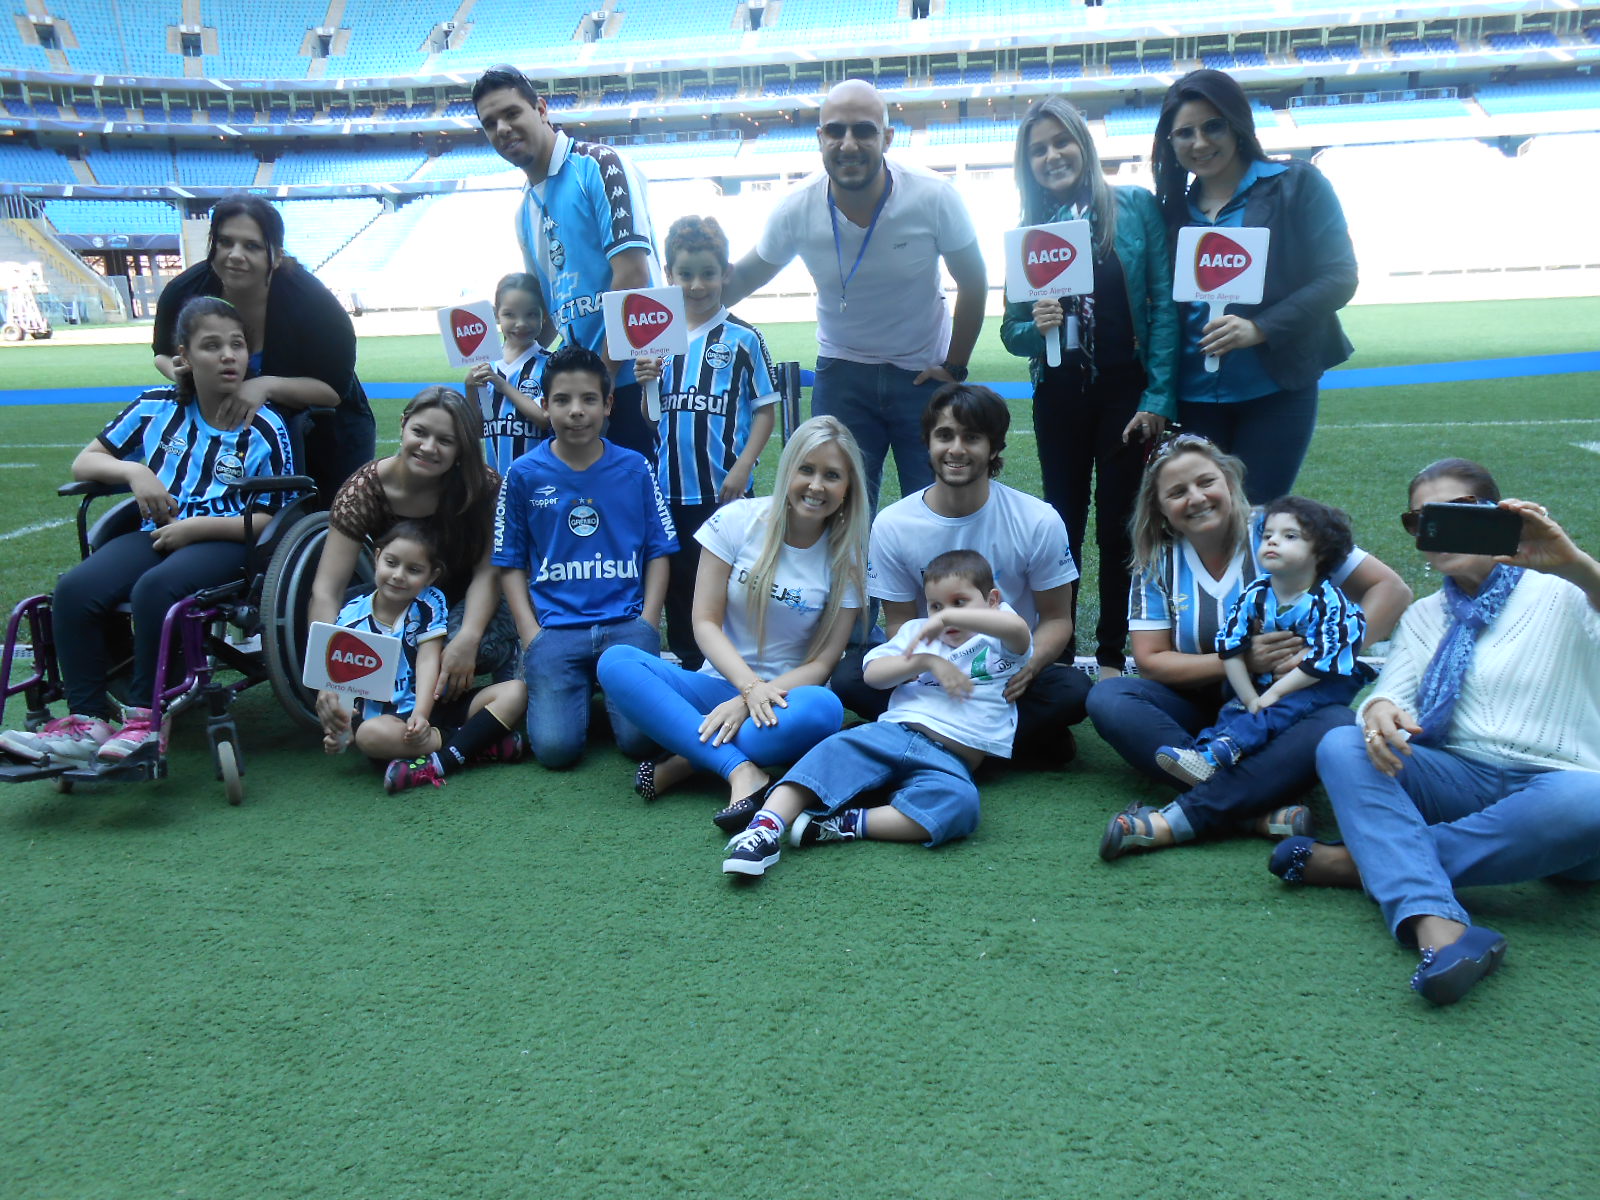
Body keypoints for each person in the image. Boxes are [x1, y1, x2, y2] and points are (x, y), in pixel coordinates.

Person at [1273, 459, 1600, 1006]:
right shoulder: (1425, 615)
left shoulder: (1564, 591)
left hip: (1560, 789)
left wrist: (1573, 564)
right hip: (1458, 780)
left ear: (1500, 515)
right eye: (1420, 520)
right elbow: (1390, 692)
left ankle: (1369, 861)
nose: (1436, 530)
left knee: (1592, 801)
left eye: (1453, 513)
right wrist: (1378, 709)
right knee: (1342, 741)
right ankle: (1440, 929)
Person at [1, 297, 295, 766]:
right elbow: (86, 461)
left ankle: (145, 720)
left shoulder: (264, 425)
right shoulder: (153, 407)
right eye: (212, 346)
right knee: (75, 589)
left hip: (228, 539)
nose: (227, 356)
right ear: (183, 358)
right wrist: (136, 473)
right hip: (156, 532)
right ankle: (86, 719)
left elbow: (269, 519)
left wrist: (195, 529)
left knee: (156, 589)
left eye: (236, 346)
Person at [1089, 434, 1412, 858]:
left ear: (1229, 480)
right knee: (1110, 696)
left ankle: (1188, 814)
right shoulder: (1158, 559)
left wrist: (1329, 652)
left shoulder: (1278, 529)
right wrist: (1239, 660)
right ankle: (1253, 808)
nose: (1197, 498)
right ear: (1160, 508)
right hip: (1197, 707)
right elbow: (1151, 662)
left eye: (1206, 482)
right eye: (1177, 492)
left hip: (1282, 709)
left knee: (1334, 723)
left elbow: (1390, 590)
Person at [722, 78, 988, 511]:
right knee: (838, 513)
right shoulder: (796, 207)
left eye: (863, 130)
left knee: (933, 509)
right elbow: (739, 281)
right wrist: (668, 318)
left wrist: (955, 365)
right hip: (842, 375)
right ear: (820, 138)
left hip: (921, 374)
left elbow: (974, 280)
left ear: (887, 137)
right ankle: (850, 583)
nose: (849, 144)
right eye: (836, 131)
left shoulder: (933, 196)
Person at [596, 415, 867, 830]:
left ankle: (687, 759)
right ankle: (740, 770)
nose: (816, 486)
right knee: (616, 662)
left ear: (848, 489)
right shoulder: (739, 520)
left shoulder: (846, 559)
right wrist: (745, 686)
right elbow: (704, 622)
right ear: (787, 469)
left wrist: (752, 698)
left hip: (784, 702)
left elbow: (823, 664)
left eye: (832, 476)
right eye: (806, 470)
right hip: (713, 685)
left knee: (826, 709)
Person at [1001, 96, 1179, 676]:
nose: (1052, 156)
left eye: (1061, 142)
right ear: (1026, 164)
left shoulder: (1135, 208)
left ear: (1084, 143)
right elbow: (1011, 330)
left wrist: (1156, 398)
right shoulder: (1030, 232)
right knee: (1062, 525)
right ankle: (1056, 652)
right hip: (1058, 393)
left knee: (1121, 525)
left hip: (1125, 394)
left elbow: (1164, 306)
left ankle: (1108, 656)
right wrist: (1037, 327)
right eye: (1038, 149)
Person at [721, 549, 1031, 878]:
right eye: (936, 606)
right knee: (830, 752)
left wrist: (950, 618)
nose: (944, 615)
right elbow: (873, 674)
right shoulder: (918, 632)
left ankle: (842, 825)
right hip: (893, 734)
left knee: (961, 805)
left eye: (960, 602)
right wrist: (926, 661)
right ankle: (763, 829)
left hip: (951, 760)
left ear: (993, 600)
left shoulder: (999, 638)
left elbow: (1017, 630)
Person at [834, 384, 1091, 765]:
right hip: (931, 673)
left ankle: (922, 736)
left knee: (1072, 690)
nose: (956, 449)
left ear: (994, 447)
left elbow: (1056, 619)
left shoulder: (1037, 519)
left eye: (972, 437)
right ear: (928, 442)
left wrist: (1030, 666)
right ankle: (1014, 744)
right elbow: (901, 623)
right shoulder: (893, 524)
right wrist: (927, 668)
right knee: (849, 679)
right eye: (944, 435)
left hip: (1005, 670)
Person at [1150, 69, 1357, 505]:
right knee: (1200, 522)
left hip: (1275, 390)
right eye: (1184, 133)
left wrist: (1258, 328)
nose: (1200, 143)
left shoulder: (1296, 185)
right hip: (1191, 399)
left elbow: (1340, 276)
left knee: (1258, 519)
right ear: (1169, 144)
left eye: (1213, 126)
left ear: (1237, 123)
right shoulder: (1169, 212)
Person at [493, 345, 677, 769]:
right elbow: (509, 560)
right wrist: (529, 633)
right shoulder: (523, 474)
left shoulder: (635, 468)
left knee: (640, 745)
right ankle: (578, 688)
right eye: (562, 400)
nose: (576, 411)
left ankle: (612, 691)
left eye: (588, 399)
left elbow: (659, 550)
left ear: (608, 403)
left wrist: (648, 622)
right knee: (556, 751)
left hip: (626, 626)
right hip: (555, 630)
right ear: (545, 405)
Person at [473, 64, 661, 464]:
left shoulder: (599, 166)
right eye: (490, 123)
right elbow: (548, 312)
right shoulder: (525, 209)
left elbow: (633, 276)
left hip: (633, 381)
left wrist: (603, 382)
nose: (502, 128)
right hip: (582, 393)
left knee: (636, 514)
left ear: (541, 109)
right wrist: (502, 368)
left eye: (511, 113)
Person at [310, 386, 517, 727]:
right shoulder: (365, 489)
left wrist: (467, 637)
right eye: (419, 432)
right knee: (359, 633)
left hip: (471, 599)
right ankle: (421, 709)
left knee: (455, 652)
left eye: (445, 441)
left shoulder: (481, 486)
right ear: (403, 425)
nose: (428, 447)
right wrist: (327, 675)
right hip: (406, 594)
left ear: (460, 450)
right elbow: (327, 590)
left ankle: (466, 700)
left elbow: (488, 572)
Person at [152, 195, 374, 498]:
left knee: (332, 517)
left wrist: (264, 386)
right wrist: (181, 372)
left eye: (252, 246)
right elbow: (163, 354)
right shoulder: (184, 292)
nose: (235, 255)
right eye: (225, 242)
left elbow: (332, 391)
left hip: (328, 431)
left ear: (277, 255)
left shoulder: (313, 303)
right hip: (238, 433)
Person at [635, 214, 779, 669]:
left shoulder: (743, 337)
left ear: (726, 272)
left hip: (724, 489)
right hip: (670, 489)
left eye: (708, 273)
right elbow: (651, 418)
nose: (697, 285)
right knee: (679, 579)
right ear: (669, 276)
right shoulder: (658, 340)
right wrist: (645, 385)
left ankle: (737, 663)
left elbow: (765, 411)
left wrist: (743, 468)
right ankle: (687, 660)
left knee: (733, 579)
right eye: (685, 274)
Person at [1152, 495, 1372, 788]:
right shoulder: (1256, 592)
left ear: (1320, 552)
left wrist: (1271, 696)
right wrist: (1249, 698)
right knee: (1233, 710)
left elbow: (1326, 660)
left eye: (1289, 536)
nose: (1272, 541)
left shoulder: (1331, 603)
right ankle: (1207, 754)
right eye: (1267, 535)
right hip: (1266, 680)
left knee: (1287, 708)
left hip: (1320, 683)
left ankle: (1220, 753)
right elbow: (1230, 645)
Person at [318, 521, 527, 795]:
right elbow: (344, 685)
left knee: (516, 691)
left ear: (431, 576)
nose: (398, 575)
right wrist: (338, 734)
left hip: (437, 706)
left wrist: (421, 714)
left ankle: (438, 761)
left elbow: (428, 660)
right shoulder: (350, 616)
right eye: (391, 563)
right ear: (377, 557)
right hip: (392, 724)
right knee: (368, 736)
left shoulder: (429, 602)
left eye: (414, 570)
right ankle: (472, 745)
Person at [465, 272, 557, 477]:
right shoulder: (485, 365)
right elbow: (479, 430)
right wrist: (470, 389)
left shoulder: (551, 364)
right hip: (497, 483)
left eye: (531, 314)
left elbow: (544, 419)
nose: (521, 323)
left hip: (540, 483)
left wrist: (502, 384)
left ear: (543, 315)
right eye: (510, 314)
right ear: (496, 315)